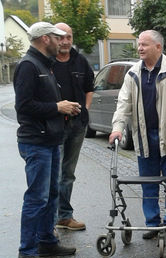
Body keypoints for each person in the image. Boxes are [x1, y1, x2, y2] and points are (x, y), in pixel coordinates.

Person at [109, 30, 166, 240]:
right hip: (143, 136)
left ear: (158, 47)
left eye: (144, 45)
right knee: (148, 182)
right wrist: (117, 127)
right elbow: (123, 104)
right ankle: (152, 223)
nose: (140, 48)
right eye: (139, 45)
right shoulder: (133, 73)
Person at [14, 21, 79, 258]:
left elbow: (43, 103)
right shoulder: (29, 66)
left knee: (51, 194)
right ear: (44, 39)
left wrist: (63, 106)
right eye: (56, 37)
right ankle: (27, 252)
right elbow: (24, 106)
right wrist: (57, 107)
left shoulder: (45, 65)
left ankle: (46, 242)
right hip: (35, 142)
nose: (61, 41)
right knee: (36, 198)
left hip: (51, 140)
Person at [53, 22, 94, 231]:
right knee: (54, 173)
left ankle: (65, 217)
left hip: (78, 125)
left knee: (68, 172)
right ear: (52, 38)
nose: (65, 41)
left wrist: (85, 109)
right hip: (54, 126)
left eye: (68, 37)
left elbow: (89, 87)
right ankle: (50, 219)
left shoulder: (80, 61)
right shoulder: (45, 62)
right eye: (61, 37)